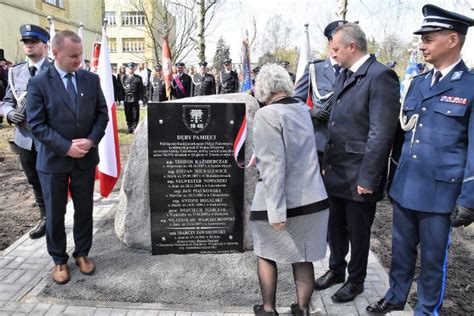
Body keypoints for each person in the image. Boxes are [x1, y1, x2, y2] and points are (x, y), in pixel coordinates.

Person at [366, 5, 474, 315]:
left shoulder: (470, 86)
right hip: (406, 187)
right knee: (400, 252)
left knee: (432, 259)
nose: (421, 45)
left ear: (452, 39)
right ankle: (396, 295)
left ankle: (426, 309)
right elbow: (403, 137)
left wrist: (469, 197)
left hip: (442, 193)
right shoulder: (418, 83)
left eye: (428, 39)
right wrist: (391, 180)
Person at [316, 23, 400, 303]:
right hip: (337, 169)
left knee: (358, 230)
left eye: (336, 48)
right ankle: (336, 269)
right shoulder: (345, 74)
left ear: (353, 47)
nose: (333, 54)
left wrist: (369, 178)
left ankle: (356, 280)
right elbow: (334, 123)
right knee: (335, 225)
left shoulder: (381, 76)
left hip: (359, 173)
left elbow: (381, 133)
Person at [26, 30, 108, 285]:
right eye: (73, 56)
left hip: (84, 159)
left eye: (80, 55)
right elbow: (36, 124)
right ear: (55, 53)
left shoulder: (89, 80)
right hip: (54, 161)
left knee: (84, 210)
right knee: (55, 212)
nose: (78, 60)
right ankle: (59, 260)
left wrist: (91, 140)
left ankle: (82, 253)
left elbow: (102, 114)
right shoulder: (39, 83)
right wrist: (65, 147)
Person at [251, 64, 329, 316]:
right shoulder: (302, 110)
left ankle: (268, 309)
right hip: (313, 199)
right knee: (303, 256)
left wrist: (276, 212)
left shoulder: (267, 115)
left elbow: (273, 166)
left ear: (264, 88)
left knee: (266, 254)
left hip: (280, 202)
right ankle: (303, 309)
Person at [2, 25, 52, 239]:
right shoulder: (15, 72)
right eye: (26, 42)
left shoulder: (56, 70)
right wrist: (9, 113)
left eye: (33, 42)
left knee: (52, 181)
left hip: (49, 139)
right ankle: (45, 218)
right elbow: (5, 102)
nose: (29, 46)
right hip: (24, 140)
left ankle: (56, 218)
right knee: (34, 181)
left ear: (45, 45)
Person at [294, 20, 347, 164]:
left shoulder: (354, 71)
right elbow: (295, 101)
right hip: (319, 143)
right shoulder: (314, 69)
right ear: (330, 42)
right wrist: (310, 112)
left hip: (345, 144)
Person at [121, 62, 143, 133]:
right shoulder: (124, 78)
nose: (131, 69)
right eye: (130, 68)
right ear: (127, 69)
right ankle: (129, 126)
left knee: (135, 113)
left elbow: (141, 90)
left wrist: (141, 99)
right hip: (126, 97)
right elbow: (121, 89)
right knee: (127, 113)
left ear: (134, 69)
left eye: (132, 68)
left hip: (135, 97)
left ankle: (134, 126)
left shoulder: (138, 78)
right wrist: (121, 99)